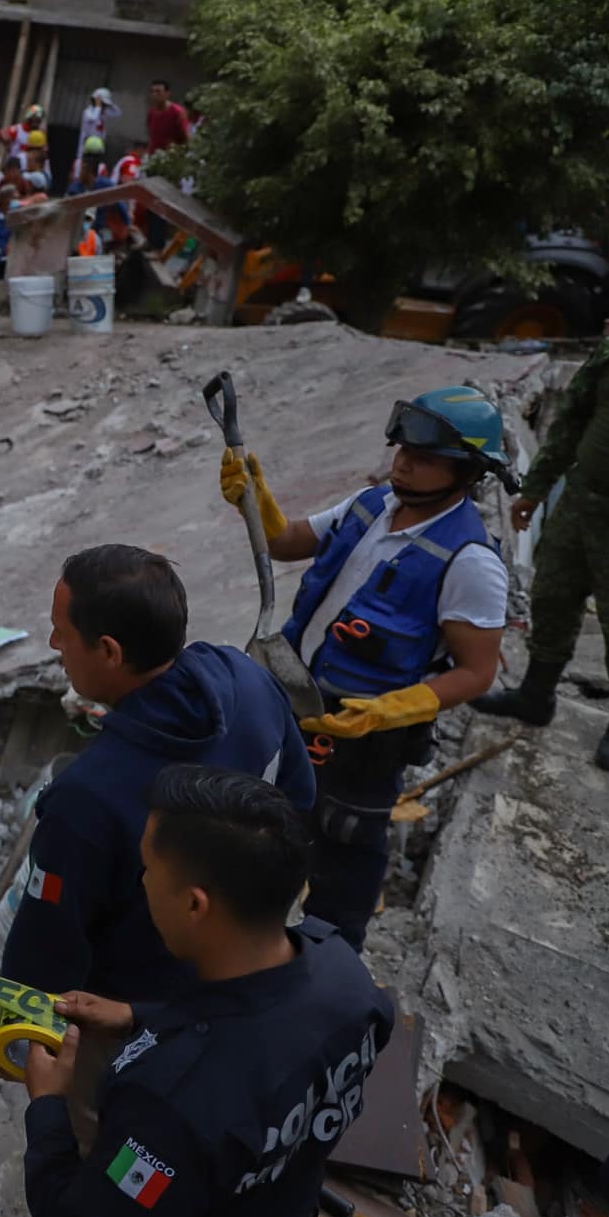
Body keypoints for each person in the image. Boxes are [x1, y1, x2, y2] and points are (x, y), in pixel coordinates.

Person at [0, 545, 317, 1079]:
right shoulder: (247, 678)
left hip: (139, 1009)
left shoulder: (89, 796)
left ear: (109, 651)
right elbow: (299, 798)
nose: (54, 645)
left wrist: (2, 1026)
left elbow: (48, 945)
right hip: (248, 948)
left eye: (62, 633)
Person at [23, 766, 394, 1217]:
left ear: (195, 904)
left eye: (150, 870)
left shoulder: (168, 1108)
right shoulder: (348, 979)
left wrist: (48, 1107)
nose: (142, 882)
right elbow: (259, 1023)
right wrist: (138, 1017)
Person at [220, 389, 508, 949]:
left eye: (423, 459)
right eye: (402, 450)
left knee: (344, 850)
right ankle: (249, 939)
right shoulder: (370, 506)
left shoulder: (470, 562)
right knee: (269, 828)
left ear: (468, 471)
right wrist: (254, 500)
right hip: (298, 706)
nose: (403, 463)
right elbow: (286, 541)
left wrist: (386, 711)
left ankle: (331, 968)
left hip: (364, 739)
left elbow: (477, 672)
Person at [475, 323, 609, 770]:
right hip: (582, 501)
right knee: (552, 596)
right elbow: (572, 418)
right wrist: (535, 487)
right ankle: (535, 693)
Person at [147, 80, 190, 153]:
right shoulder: (151, 112)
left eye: (158, 92)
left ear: (167, 94)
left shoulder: (177, 112)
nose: (154, 95)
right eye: (152, 92)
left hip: (171, 157)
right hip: (154, 156)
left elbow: (186, 138)